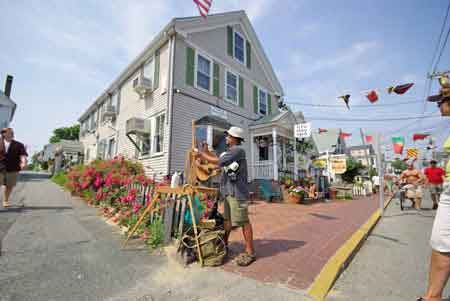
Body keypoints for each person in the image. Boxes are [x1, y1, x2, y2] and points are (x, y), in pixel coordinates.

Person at [196, 126, 255, 266]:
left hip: (238, 193)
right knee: (227, 221)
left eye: (228, 136)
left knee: (243, 221)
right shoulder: (229, 153)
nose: (226, 138)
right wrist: (205, 156)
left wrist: (200, 154)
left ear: (235, 138)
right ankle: (225, 243)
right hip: (228, 192)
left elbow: (218, 162)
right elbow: (218, 164)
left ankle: (250, 252)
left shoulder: (238, 151)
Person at [418, 82, 450, 301]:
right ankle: (433, 297)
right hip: (445, 186)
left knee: (442, 240)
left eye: (440, 100)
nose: (438, 105)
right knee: (441, 242)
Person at [0, 128, 28, 208]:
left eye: (12, 132)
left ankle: (5, 200)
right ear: (3, 134)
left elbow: (23, 155)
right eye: (9, 132)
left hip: (13, 168)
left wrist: (23, 162)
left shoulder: (19, 144)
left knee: (9, 186)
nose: (11, 133)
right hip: (0, 167)